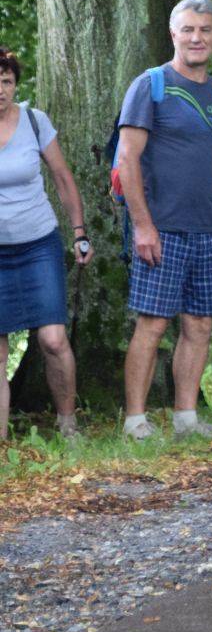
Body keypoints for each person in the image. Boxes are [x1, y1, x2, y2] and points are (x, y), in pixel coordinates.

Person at [115, 0, 212, 442]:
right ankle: (135, 422)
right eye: (188, 29)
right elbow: (128, 158)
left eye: (205, 30)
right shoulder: (150, 85)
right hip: (162, 229)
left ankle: (186, 420)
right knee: (152, 324)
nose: (196, 38)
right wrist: (142, 225)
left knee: (200, 325)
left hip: (211, 231)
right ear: (174, 34)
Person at [0, 48, 91, 440]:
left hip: (38, 245)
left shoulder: (35, 121)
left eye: (6, 81)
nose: (0, 89)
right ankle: (2, 445)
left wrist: (79, 232)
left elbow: (63, 178)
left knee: (53, 340)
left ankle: (68, 426)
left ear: (15, 85)